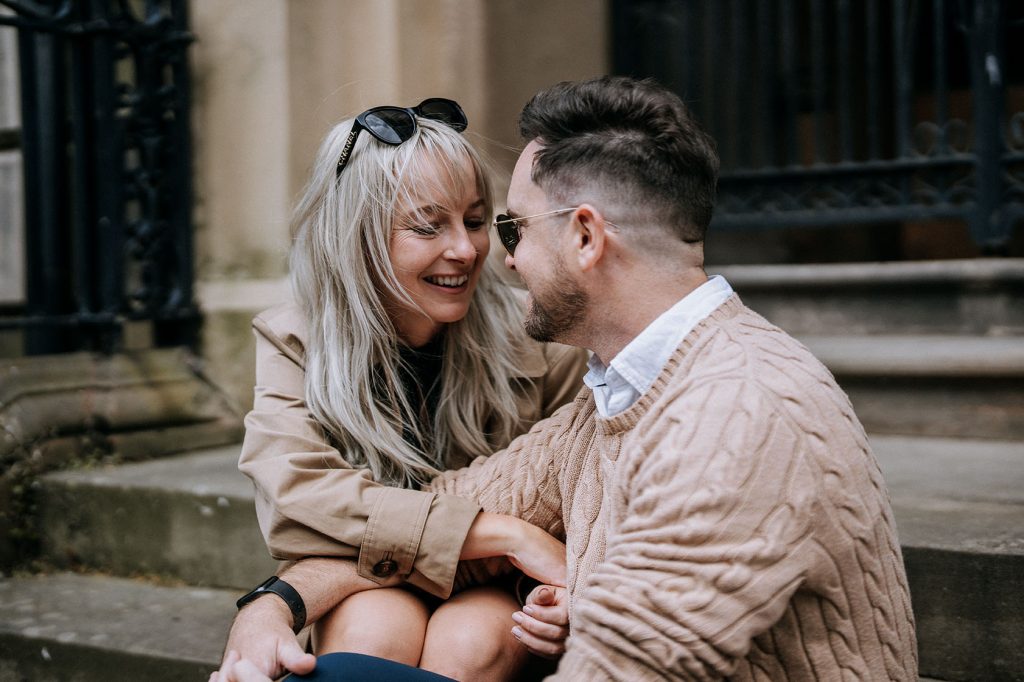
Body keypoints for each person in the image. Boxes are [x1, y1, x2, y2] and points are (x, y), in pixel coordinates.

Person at [216, 76, 918, 681]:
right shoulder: (617, 395)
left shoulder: (737, 417)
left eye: (509, 227)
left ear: (584, 236)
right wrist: (274, 604)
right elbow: (451, 507)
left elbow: (620, 666)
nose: (498, 258)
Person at [223, 98, 588, 681]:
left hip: (497, 584)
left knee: (469, 640)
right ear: (359, 235)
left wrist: (555, 589)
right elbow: (300, 502)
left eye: (474, 221)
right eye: (427, 226)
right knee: (372, 630)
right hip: (373, 579)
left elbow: (580, 493)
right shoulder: (296, 339)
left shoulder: (541, 335)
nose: (466, 251)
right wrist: (499, 531)